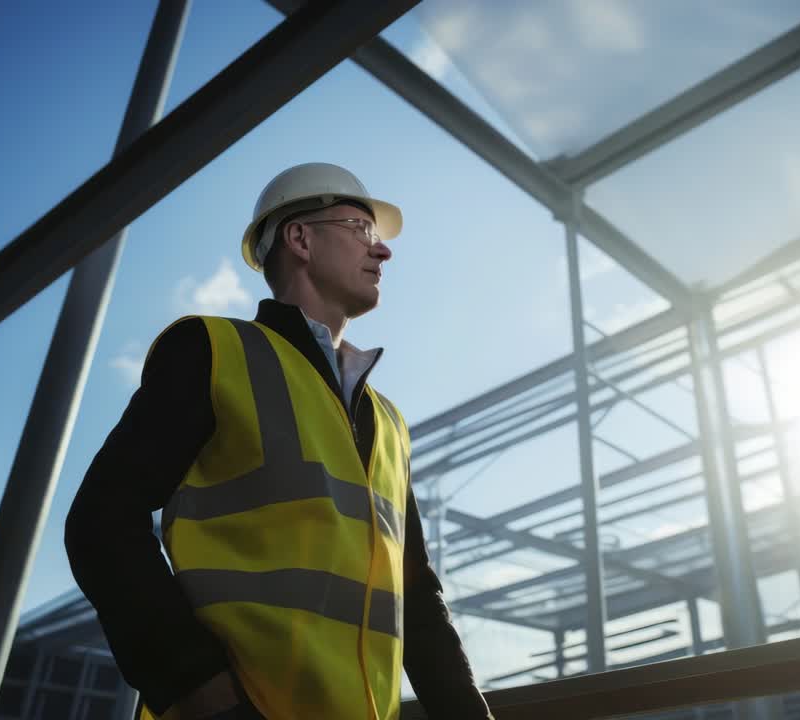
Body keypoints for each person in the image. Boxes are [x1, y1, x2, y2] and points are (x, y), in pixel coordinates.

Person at [65, 163, 493, 719]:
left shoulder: (388, 422)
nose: (382, 252)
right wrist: (203, 695)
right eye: (361, 229)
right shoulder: (213, 351)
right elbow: (102, 520)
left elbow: (415, 597)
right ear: (299, 238)